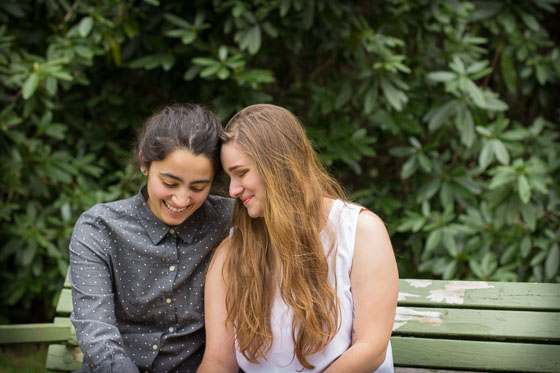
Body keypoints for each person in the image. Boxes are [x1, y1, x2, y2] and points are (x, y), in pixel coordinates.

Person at [198, 104, 398, 372]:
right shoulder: (233, 252)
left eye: (242, 173)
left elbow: (371, 348)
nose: (233, 190)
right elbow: (219, 362)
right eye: (230, 177)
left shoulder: (360, 232)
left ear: (278, 164)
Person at [69, 104, 233, 373]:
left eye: (198, 187)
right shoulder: (99, 228)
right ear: (145, 163)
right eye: (169, 184)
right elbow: (96, 333)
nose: (181, 200)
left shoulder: (230, 221)